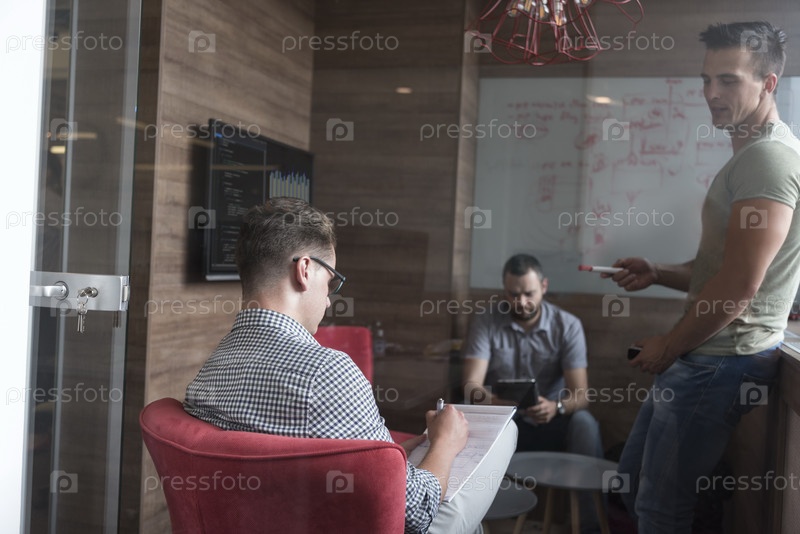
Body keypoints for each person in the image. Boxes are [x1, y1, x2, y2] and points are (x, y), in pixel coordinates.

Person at [184, 197, 516, 534]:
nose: (329, 300)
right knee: (507, 432)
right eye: (330, 282)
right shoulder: (327, 372)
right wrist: (445, 442)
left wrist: (382, 457)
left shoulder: (211, 370)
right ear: (304, 271)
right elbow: (415, 510)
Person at [606, 21, 800, 533]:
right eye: (706, 79)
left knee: (659, 509)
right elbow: (721, 268)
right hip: (707, 354)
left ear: (768, 84)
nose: (711, 93)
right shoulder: (752, 155)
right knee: (632, 485)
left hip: (720, 360)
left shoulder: (767, 160)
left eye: (729, 80)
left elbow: (740, 286)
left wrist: (668, 347)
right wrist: (658, 272)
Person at [461, 253, 603, 533]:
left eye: (529, 293)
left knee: (585, 424)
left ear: (544, 286)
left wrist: (556, 407)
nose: (521, 302)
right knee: (463, 419)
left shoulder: (567, 325)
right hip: (505, 420)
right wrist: (497, 403)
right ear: (504, 290)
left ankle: (590, 525)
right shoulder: (486, 321)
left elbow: (581, 395)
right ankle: (470, 522)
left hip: (552, 419)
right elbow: (470, 388)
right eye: (513, 294)